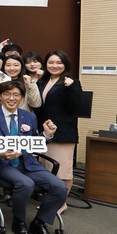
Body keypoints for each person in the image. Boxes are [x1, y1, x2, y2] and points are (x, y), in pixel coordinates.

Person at [0, 80, 66, 234]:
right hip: (3, 165)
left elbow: (33, 143)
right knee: (25, 184)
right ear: (0, 96)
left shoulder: (29, 117)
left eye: (16, 95)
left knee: (59, 186)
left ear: (22, 97)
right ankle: (19, 223)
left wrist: (46, 135)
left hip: (28, 164)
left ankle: (39, 223)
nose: (12, 98)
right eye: (7, 94)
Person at [36, 50, 83, 213]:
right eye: (51, 62)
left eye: (59, 63)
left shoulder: (72, 82)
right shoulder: (43, 81)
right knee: (48, 168)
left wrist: (70, 88)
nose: (54, 66)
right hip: (45, 132)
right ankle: (51, 200)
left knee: (63, 171)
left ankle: (61, 203)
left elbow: (75, 107)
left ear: (65, 65)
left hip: (63, 133)